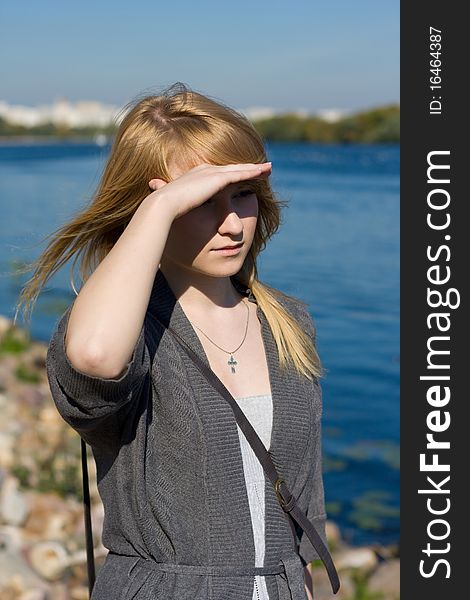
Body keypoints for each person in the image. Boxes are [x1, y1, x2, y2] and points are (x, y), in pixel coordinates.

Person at [15, 82, 333, 600]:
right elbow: (94, 358)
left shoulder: (289, 323)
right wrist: (158, 213)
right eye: (202, 201)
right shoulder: (127, 329)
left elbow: (302, 494)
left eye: (243, 194)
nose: (232, 224)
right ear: (151, 205)